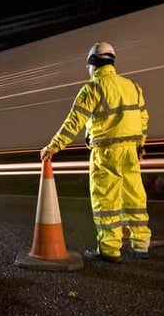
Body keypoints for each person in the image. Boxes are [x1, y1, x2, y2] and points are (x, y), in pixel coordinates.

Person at [40, 41, 152, 263]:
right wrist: (140, 145)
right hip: (131, 151)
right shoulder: (132, 86)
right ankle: (141, 245)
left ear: (92, 64)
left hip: (106, 153)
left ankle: (109, 249)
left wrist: (53, 146)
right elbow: (143, 119)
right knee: (134, 198)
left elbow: (74, 122)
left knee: (106, 202)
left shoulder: (92, 88)